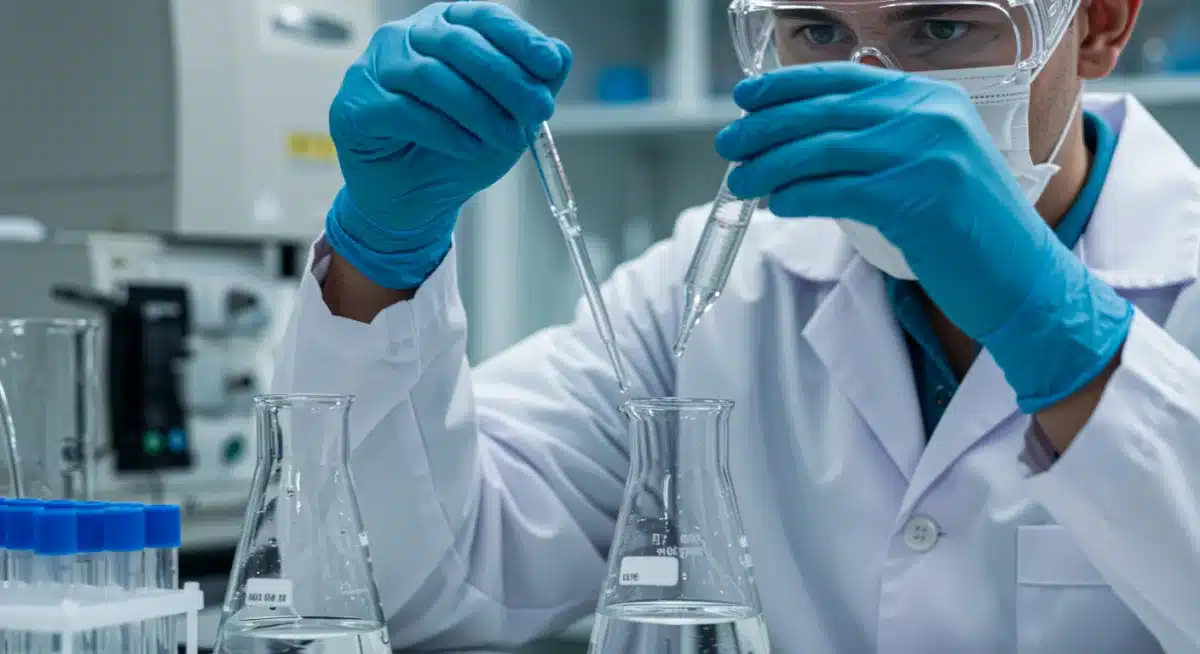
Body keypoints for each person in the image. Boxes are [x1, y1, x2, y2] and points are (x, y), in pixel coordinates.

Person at [272, 0, 1200, 650]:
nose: (870, 83)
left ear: (1099, 23)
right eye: (816, 31)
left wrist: (1058, 331)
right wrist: (381, 255)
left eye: (941, 28)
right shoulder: (707, 292)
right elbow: (404, 592)